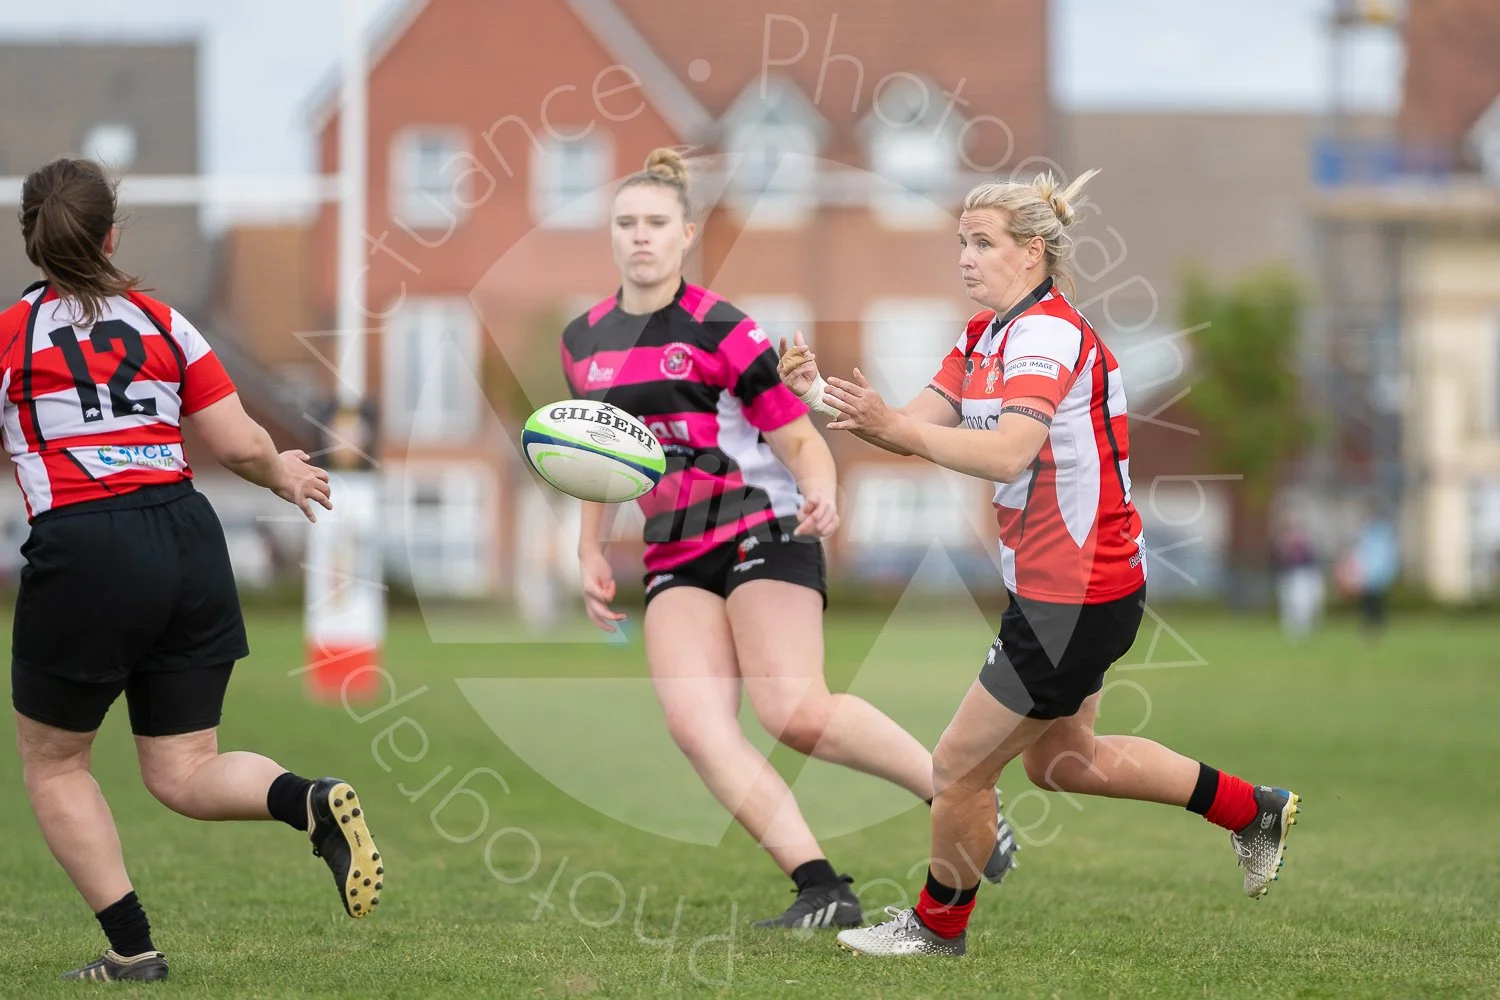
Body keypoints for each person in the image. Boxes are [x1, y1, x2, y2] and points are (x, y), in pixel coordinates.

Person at [777, 169, 1302, 958]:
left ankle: (935, 929)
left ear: (1032, 254)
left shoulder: (1048, 335)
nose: (965, 257)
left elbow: (1006, 452)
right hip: (1064, 593)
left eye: (981, 243)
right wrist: (820, 393)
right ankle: (1252, 809)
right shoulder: (982, 338)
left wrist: (898, 427)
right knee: (1065, 763)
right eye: (961, 241)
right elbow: (905, 429)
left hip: (1077, 596)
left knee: (956, 767)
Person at [560, 148, 1016, 930]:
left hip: (762, 527)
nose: (641, 237)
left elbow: (801, 438)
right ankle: (822, 888)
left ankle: (957, 792)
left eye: (656, 223)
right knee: (696, 728)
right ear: (611, 235)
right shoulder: (582, 341)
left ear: (686, 233)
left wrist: (826, 492)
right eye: (627, 223)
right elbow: (600, 455)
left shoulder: (724, 328)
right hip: (674, 552)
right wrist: (588, 547)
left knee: (794, 712)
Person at [4, 158, 385, 983]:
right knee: (184, 768)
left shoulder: (11, 336)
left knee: (55, 761)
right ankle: (306, 799)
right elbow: (241, 440)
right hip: (186, 539)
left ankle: (134, 952)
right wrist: (284, 474)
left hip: (85, 545)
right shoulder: (162, 322)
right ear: (111, 234)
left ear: (33, 242)